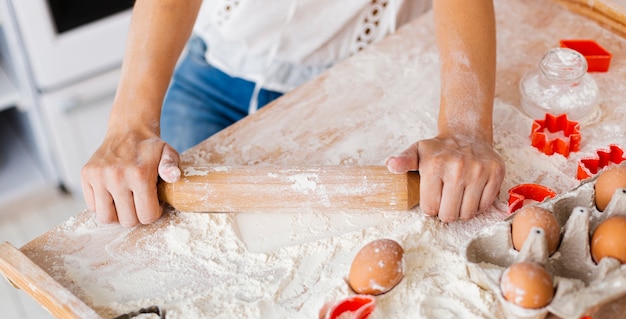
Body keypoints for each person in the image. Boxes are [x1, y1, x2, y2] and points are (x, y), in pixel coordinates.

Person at [81, 0, 505, 227]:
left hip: (348, 85)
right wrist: (128, 125)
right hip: (212, 75)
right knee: (168, 231)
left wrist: (465, 128)